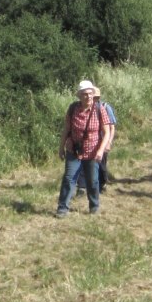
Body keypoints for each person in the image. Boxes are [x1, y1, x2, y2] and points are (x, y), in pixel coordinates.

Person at [55, 81, 111, 217]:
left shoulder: (100, 109)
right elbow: (66, 129)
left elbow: (107, 132)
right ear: (79, 96)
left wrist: (101, 150)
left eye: (90, 93)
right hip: (73, 150)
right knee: (69, 179)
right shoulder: (73, 109)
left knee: (93, 181)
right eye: (85, 94)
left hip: (93, 152)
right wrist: (61, 148)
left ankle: (94, 206)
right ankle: (62, 208)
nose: (88, 96)